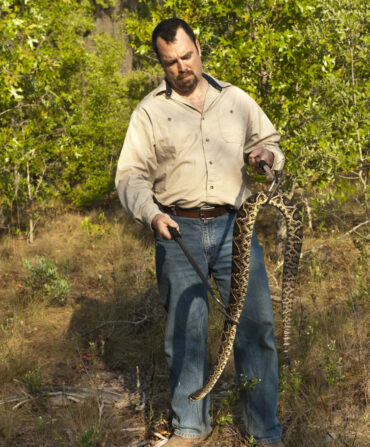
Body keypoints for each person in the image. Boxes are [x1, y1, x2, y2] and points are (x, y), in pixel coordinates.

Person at [116, 18, 285, 447]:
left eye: (187, 56)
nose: (181, 67)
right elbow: (130, 176)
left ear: (199, 48)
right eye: (170, 61)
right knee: (185, 332)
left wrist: (266, 155)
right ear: (160, 62)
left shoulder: (236, 100)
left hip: (236, 227)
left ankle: (265, 432)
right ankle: (191, 427)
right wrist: (151, 214)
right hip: (177, 230)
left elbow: (271, 142)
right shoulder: (150, 111)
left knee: (255, 327)